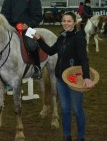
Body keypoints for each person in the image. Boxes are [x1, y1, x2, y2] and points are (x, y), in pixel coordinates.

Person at [33, 12, 95, 141]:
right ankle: (67, 136)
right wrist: (39, 39)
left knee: (77, 110)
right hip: (61, 79)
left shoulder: (79, 38)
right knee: (65, 110)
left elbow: (84, 59)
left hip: (74, 80)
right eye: (64, 21)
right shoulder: (61, 37)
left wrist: (86, 77)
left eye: (69, 21)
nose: (66, 23)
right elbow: (50, 51)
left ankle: (81, 137)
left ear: (74, 22)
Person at [0, 0, 43, 79]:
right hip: (12, 26)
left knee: (32, 45)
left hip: (28, 27)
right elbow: (4, 12)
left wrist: (28, 24)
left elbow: (37, 14)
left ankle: (37, 68)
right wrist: (8, 24)